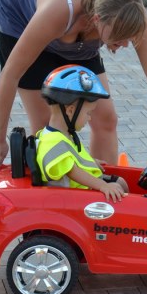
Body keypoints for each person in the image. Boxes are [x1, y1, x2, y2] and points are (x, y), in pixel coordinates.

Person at [0, 0, 147, 167]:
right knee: (48, 125)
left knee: (106, 119)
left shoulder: (133, 12)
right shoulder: (59, 10)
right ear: (97, 20)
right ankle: (56, 183)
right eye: (120, 37)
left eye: (130, 37)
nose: (126, 44)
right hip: (21, 18)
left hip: (79, 33)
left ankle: (105, 183)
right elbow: (10, 75)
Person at [36, 65, 129, 202]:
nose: (89, 118)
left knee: (120, 182)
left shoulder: (61, 135)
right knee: (118, 187)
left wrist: (89, 161)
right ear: (70, 111)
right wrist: (102, 185)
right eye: (88, 113)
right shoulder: (52, 142)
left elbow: (71, 159)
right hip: (78, 198)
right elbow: (72, 171)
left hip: (83, 190)